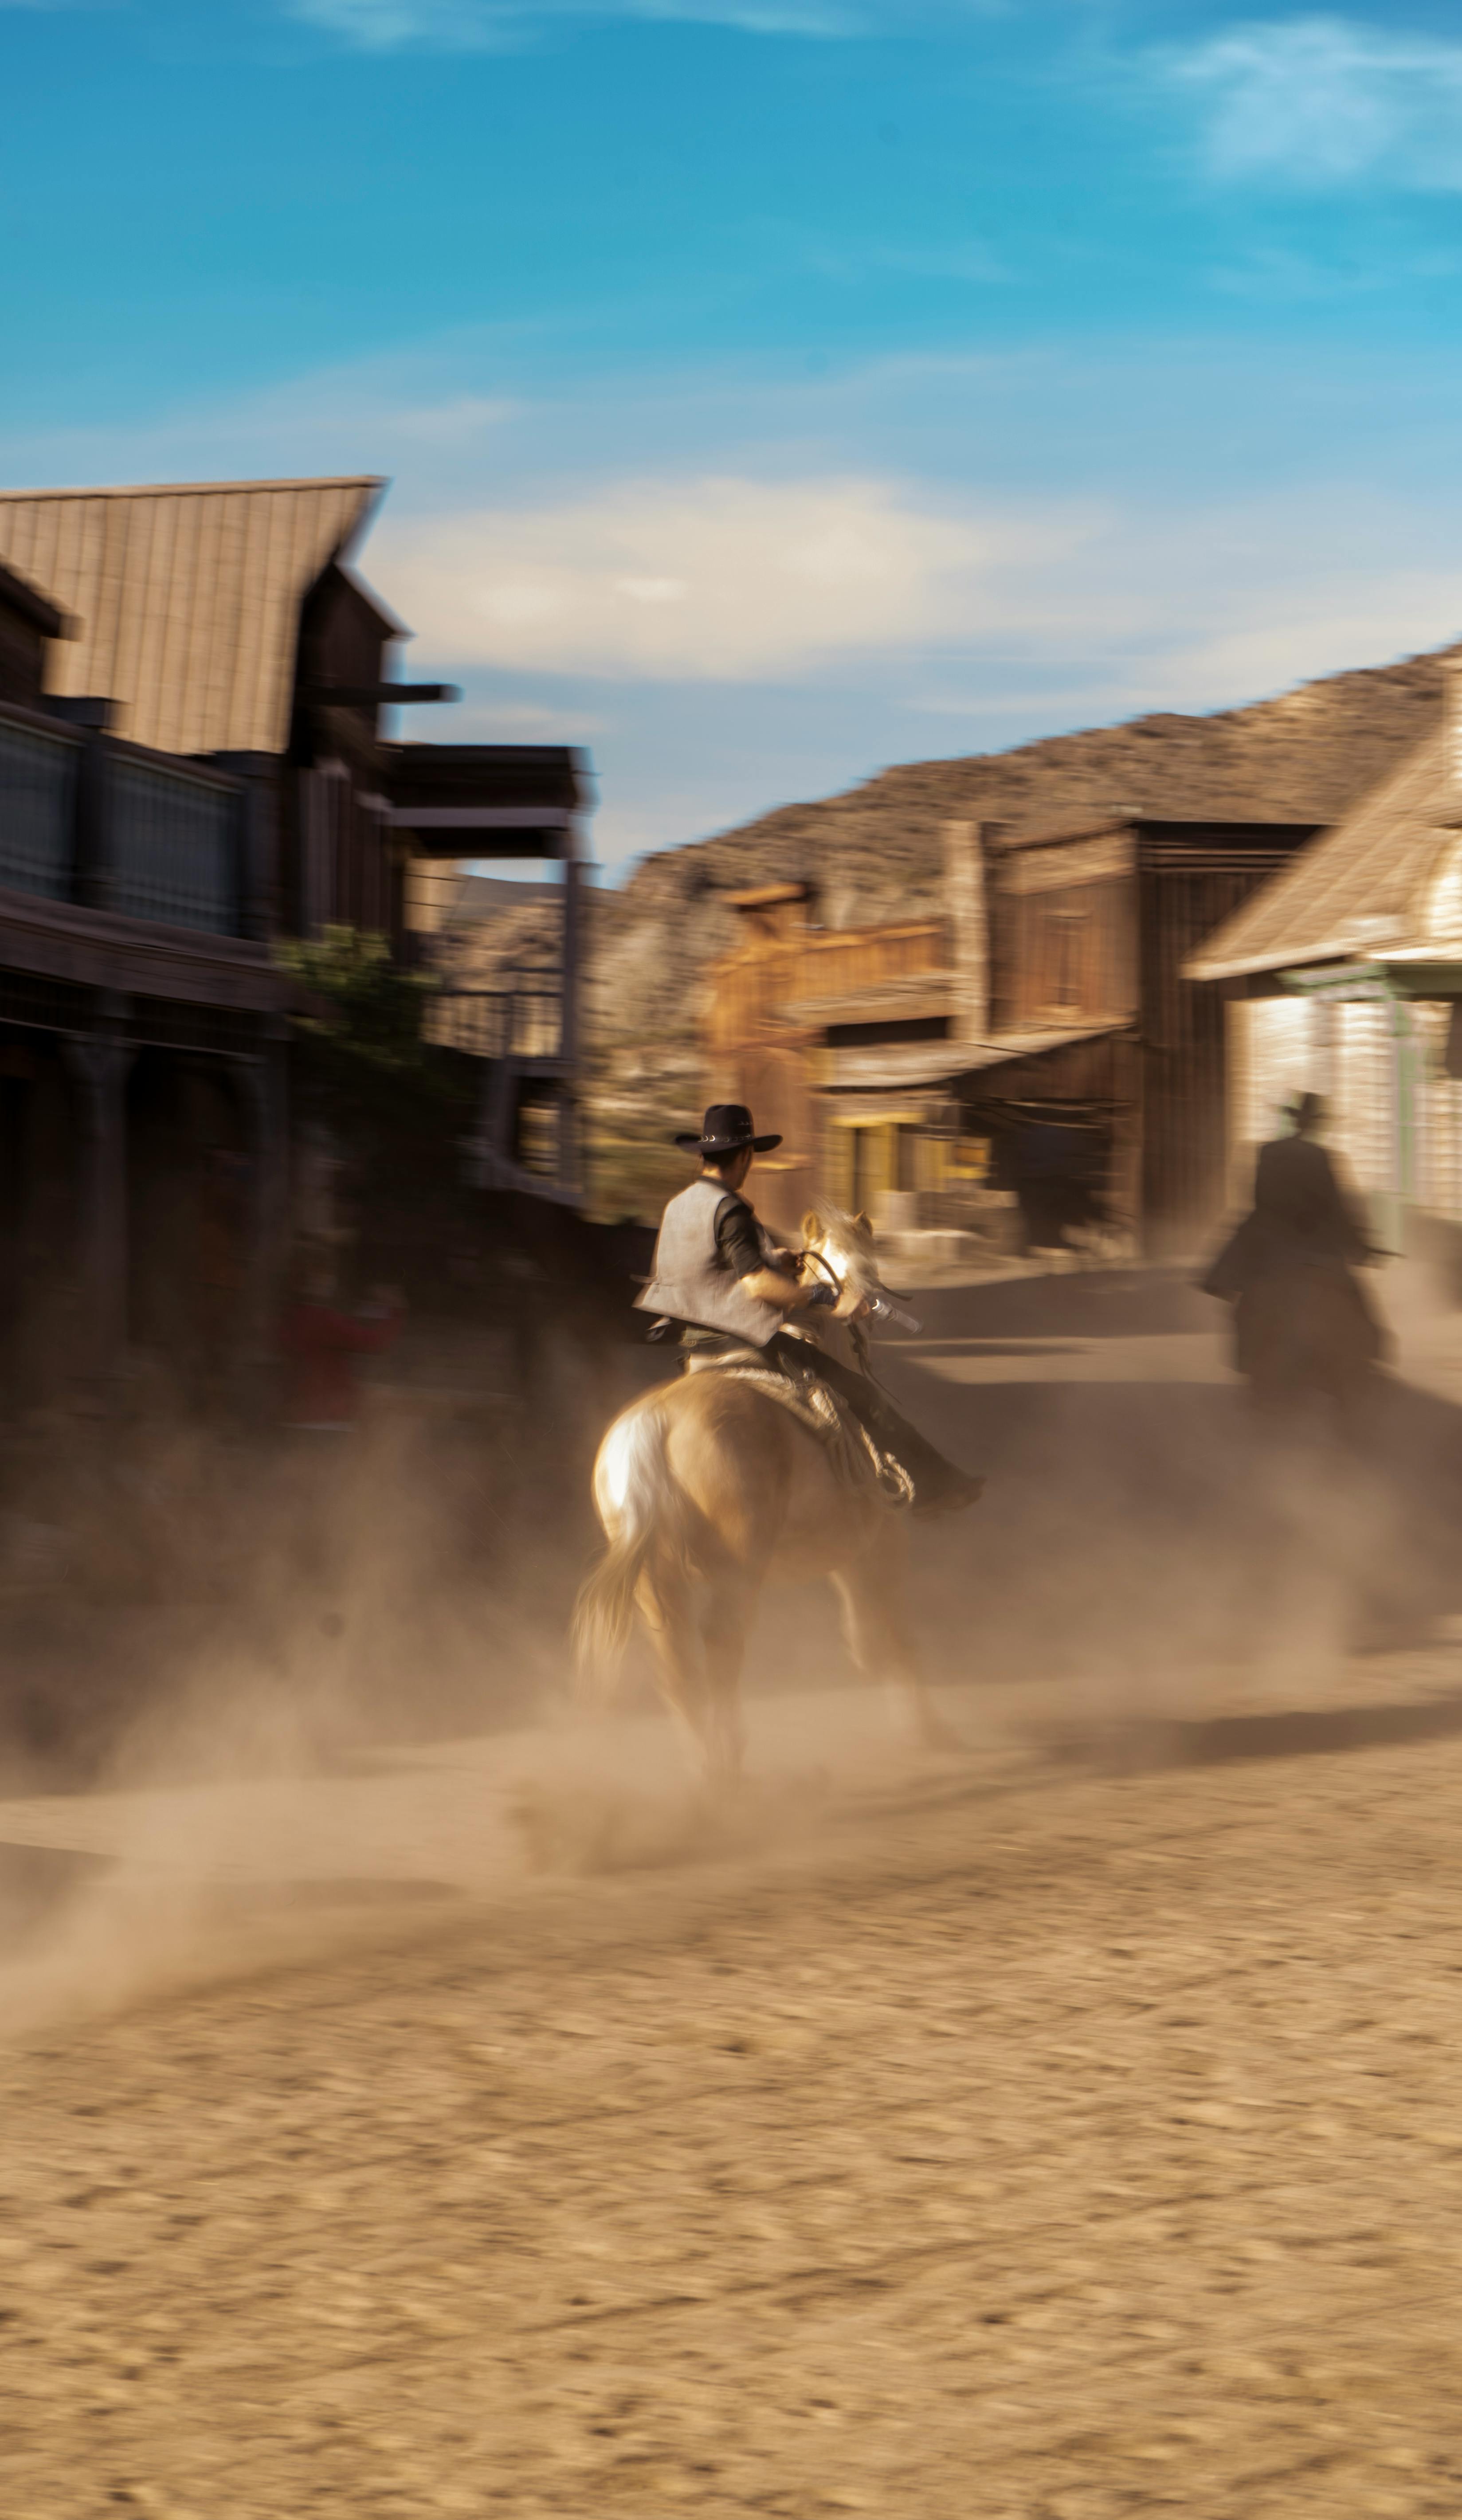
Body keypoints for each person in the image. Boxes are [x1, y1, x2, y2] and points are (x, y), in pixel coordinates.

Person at [635, 1102, 981, 1514]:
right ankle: (937, 1487)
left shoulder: (678, 1204)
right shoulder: (731, 1208)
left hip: (691, 1344)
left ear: (702, 1155)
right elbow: (755, 1284)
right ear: (745, 1155)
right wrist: (828, 1299)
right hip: (740, 1337)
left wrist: (772, 1259)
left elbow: (706, 1267)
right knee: (861, 1394)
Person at [1203, 1091, 1384, 1370]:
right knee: (1354, 1306)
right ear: (1315, 1124)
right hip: (1313, 1245)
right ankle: (1362, 1361)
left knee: (1246, 1299)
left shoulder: (1267, 1152)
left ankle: (1252, 1359)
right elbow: (1338, 1207)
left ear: (1295, 1121)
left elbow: (1254, 1198)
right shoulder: (1321, 1156)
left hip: (1270, 1240)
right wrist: (1362, 1246)